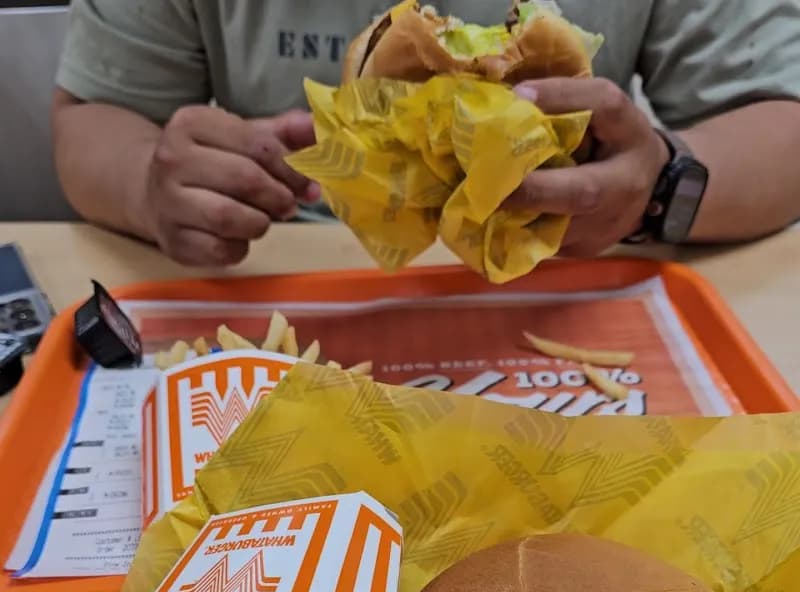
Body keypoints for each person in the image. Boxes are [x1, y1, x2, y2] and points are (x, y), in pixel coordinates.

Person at [52, 1, 800, 266]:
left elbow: (783, 121)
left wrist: (659, 185)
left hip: (573, 273)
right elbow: (93, 115)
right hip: (270, 284)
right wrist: (152, 184)